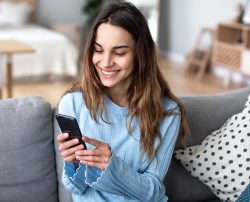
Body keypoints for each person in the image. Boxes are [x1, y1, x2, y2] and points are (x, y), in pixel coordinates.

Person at [56, 1, 189, 201]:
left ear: (140, 54)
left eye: (119, 52)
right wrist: (73, 163)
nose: (106, 62)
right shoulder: (73, 104)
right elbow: (76, 188)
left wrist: (112, 167)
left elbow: (153, 192)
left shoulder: (167, 112)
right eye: (98, 50)